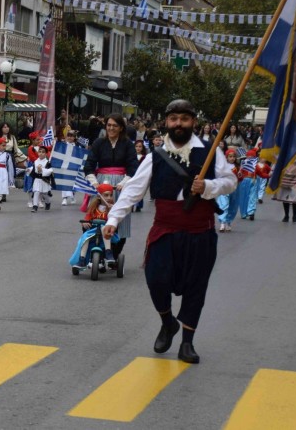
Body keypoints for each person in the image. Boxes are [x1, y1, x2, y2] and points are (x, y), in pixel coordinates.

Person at [102, 99, 237, 364]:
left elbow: (231, 181)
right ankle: (168, 322)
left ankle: (188, 342)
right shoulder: (156, 155)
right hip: (165, 228)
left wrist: (208, 187)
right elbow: (133, 189)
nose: (178, 124)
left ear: (193, 122)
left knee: (196, 286)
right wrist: (113, 219)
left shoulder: (210, 151)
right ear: (167, 122)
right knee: (156, 279)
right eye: (174, 119)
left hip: (200, 231)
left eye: (184, 119)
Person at [83, 114, 138, 262]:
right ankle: (96, 251)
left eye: (114, 125)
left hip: (121, 185)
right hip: (102, 184)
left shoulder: (127, 144)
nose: (111, 128)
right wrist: (95, 183)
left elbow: (133, 166)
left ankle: (113, 254)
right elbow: (89, 165)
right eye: (109, 125)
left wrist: (124, 182)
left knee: (121, 219)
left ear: (121, 128)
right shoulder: (99, 143)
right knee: (96, 217)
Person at [216, 149, 240, 232]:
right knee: (224, 205)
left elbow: (239, 178)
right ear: (226, 157)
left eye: (234, 156)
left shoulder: (237, 167)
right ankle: (222, 223)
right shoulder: (223, 167)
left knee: (233, 206)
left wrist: (240, 176)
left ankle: (228, 221)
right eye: (230, 156)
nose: (232, 158)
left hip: (234, 188)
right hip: (224, 188)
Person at [28, 146, 54, 212]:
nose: (41, 153)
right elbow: (33, 169)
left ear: (46, 154)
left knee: (45, 193)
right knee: (36, 192)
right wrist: (29, 169)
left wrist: (42, 170)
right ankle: (35, 206)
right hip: (37, 179)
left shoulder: (47, 162)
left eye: (43, 152)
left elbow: (50, 171)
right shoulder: (35, 161)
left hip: (44, 180)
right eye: (39, 152)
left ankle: (48, 203)